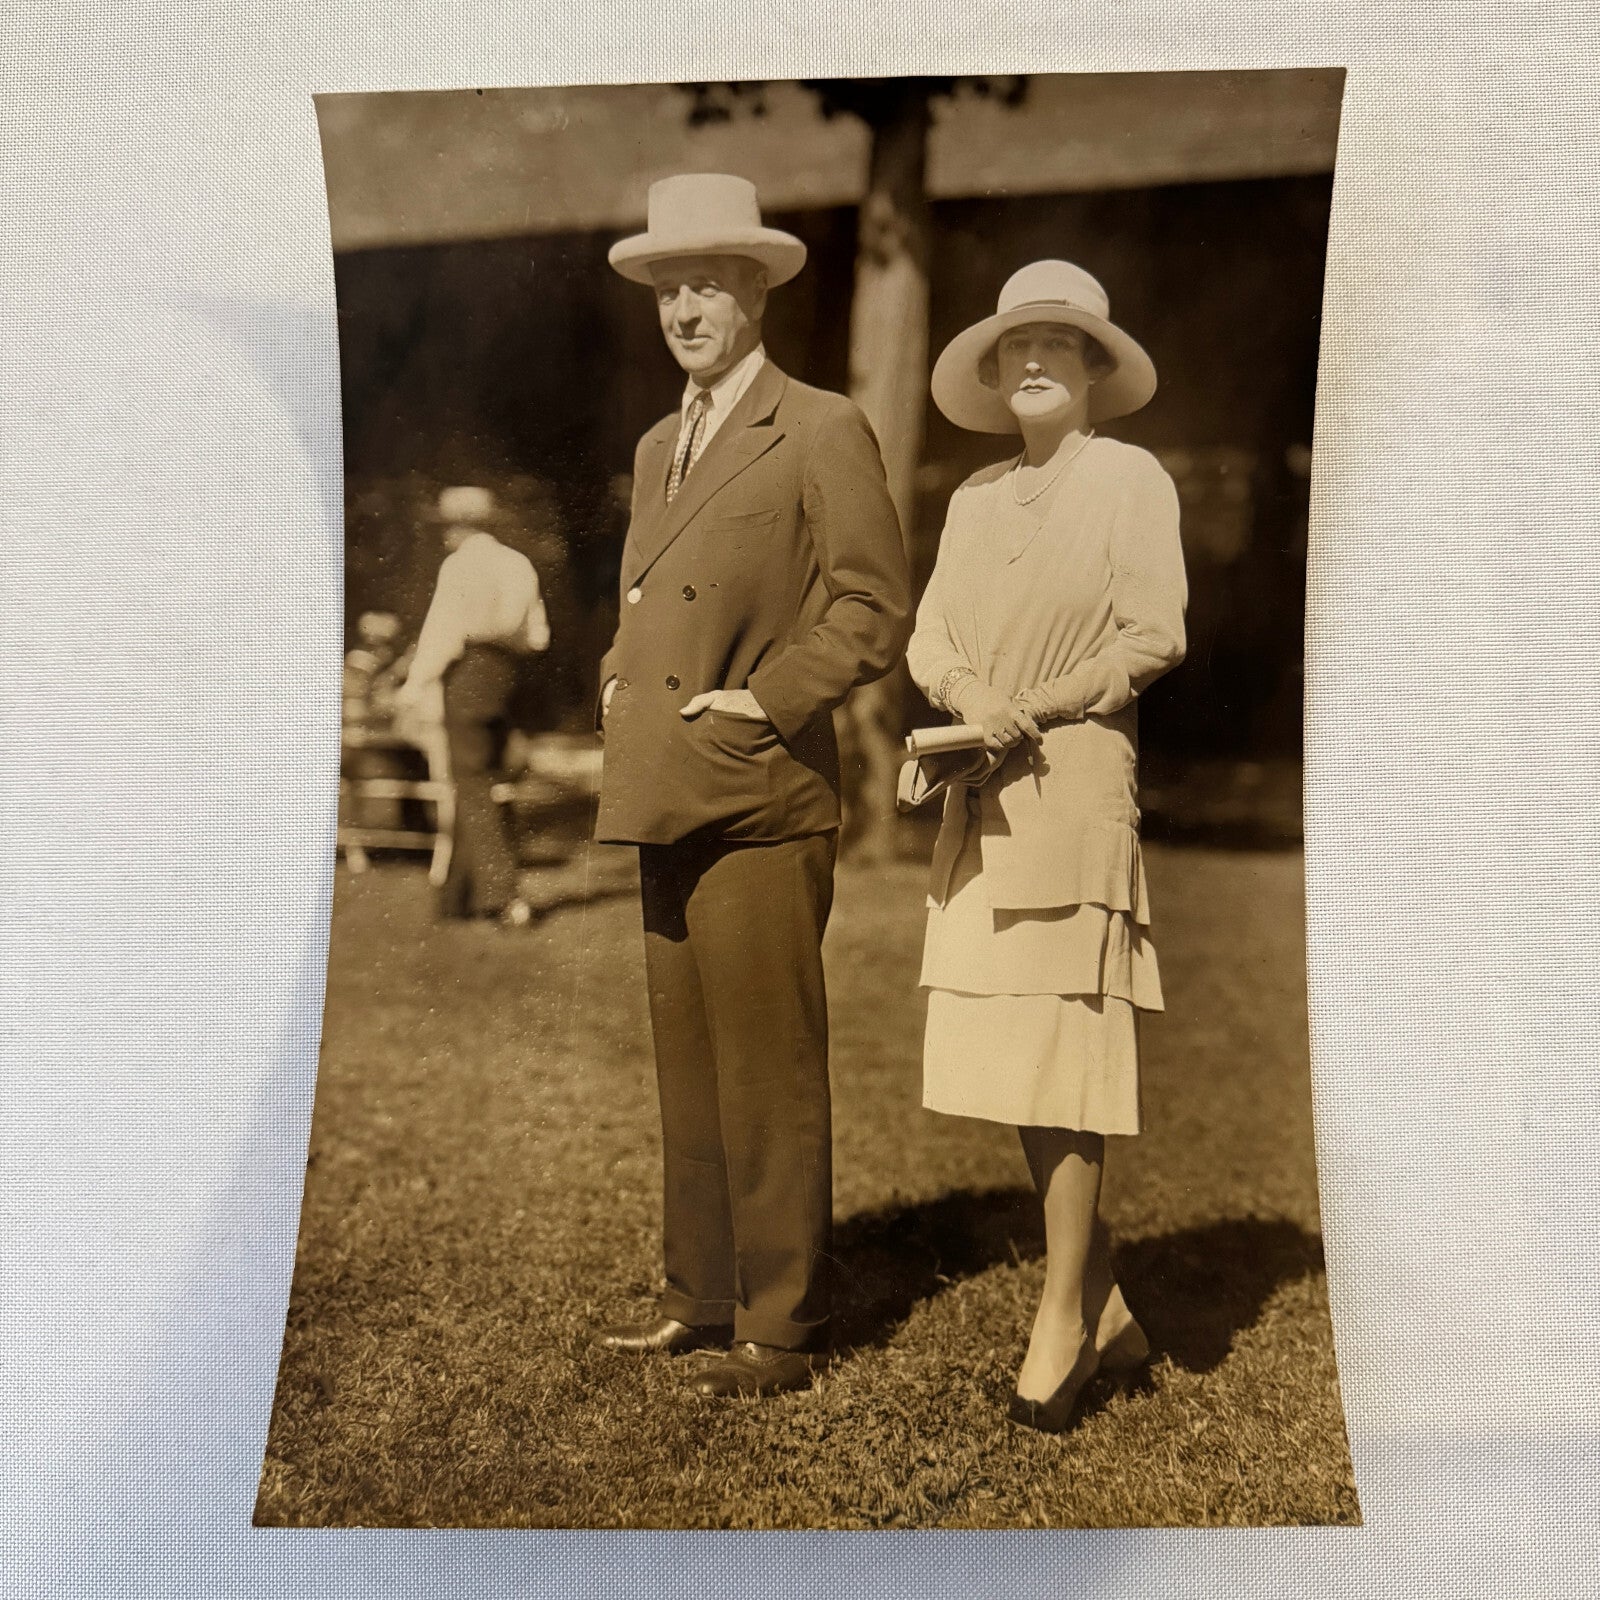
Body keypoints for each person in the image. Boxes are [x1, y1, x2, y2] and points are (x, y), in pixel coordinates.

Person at [592, 173, 912, 1398]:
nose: (685, 307)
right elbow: (645, 599)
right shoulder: (652, 445)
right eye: (670, 287)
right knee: (690, 1060)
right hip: (662, 781)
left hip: (759, 787)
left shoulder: (818, 424)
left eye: (709, 284)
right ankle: (701, 1295)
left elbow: (872, 605)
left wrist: (767, 699)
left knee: (767, 1067)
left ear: (758, 292)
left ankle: (778, 1325)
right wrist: (617, 675)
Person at [906, 259, 1188, 1432]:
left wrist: (1049, 699)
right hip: (987, 787)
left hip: (1073, 785)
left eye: (1058, 347)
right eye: (1015, 346)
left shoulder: (1129, 480)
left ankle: (1061, 1318)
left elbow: (1154, 633)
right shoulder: (974, 500)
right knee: (1015, 1050)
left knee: (1066, 1049)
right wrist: (973, 689)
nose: (1032, 362)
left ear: (1093, 372)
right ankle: (1103, 1297)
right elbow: (931, 636)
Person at [395, 485, 550, 927]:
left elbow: (443, 635)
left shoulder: (461, 566)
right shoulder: (517, 563)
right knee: (481, 780)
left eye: (447, 527)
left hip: (469, 673)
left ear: (463, 526)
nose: (444, 536)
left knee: (474, 784)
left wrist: (413, 685)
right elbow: (537, 635)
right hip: (510, 675)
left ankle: (505, 898)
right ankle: (457, 898)